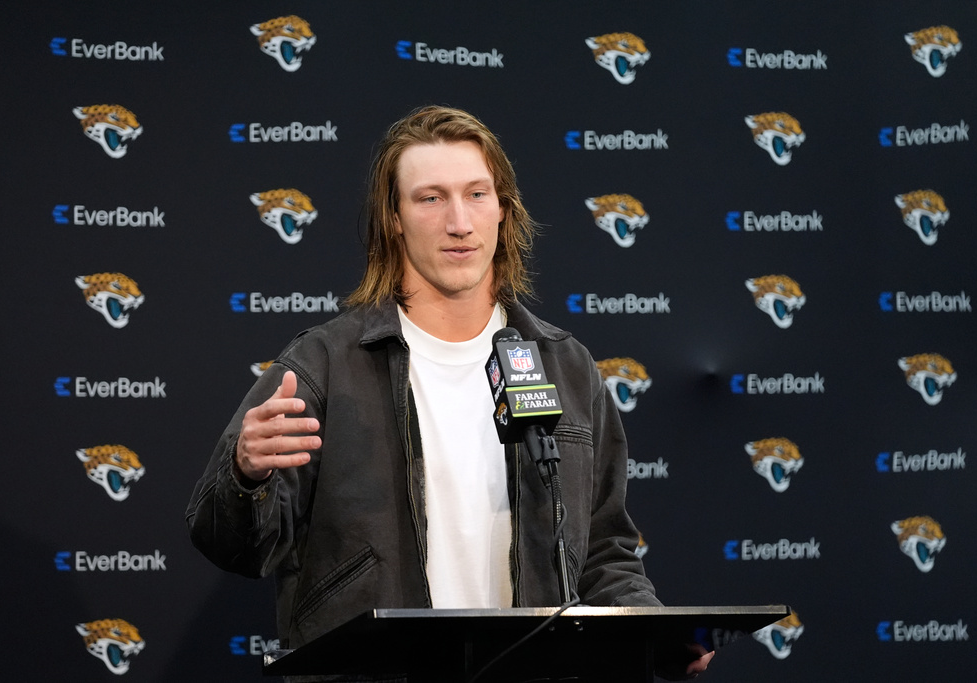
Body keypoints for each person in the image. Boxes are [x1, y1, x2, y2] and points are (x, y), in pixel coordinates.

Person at [186, 105, 712, 679]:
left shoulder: (566, 366)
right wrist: (246, 475)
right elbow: (235, 547)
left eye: (476, 194)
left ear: (503, 209)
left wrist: (655, 634)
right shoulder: (323, 364)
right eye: (431, 198)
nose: (459, 222)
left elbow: (605, 552)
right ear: (394, 218)